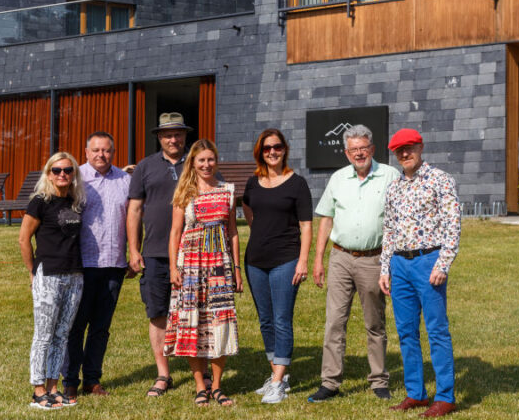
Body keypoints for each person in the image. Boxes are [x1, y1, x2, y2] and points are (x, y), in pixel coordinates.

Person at [308, 125, 399, 403]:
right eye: (353, 149)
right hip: (341, 258)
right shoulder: (337, 179)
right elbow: (326, 218)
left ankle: (379, 380)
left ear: (372, 149)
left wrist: (390, 262)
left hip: (374, 258)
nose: (359, 153)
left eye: (363, 148)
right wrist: (318, 260)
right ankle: (330, 382)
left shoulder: (390, 176)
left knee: (375, 323)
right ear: (347, 153)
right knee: (334, 322)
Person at [378, 128, 461, 418]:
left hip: (429, 262)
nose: (404, 153)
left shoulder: (440, 180)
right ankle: (416, 393)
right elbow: (388, 229)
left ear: (420, 146)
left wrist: (443, 262)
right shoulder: (394, 187)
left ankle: (445, 396)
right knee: (406, 332)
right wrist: (384, 267)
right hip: (399, 265)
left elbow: (453, 223)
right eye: (398, 150)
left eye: (409, 147)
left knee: (437, 331)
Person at [165, 139, 243, 407]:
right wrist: (174, 267)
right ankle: (200, 385)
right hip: (190, 265)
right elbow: (175, 232)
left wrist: (237, 268)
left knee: (219, 322)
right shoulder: (184, 192)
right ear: (193, 163)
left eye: (211, 159)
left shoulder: (227, 191)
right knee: (192, 323)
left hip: (218, 264)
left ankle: (218, 386)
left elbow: (232, 231)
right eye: (201, 160)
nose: (207, 164)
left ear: (216, 161)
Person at [242, 128, 313, 404]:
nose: (272, 151)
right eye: (267, 148)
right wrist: (256, 227)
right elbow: (247, 207)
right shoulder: (253, 182)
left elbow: (306, 226)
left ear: (285, 149)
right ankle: (278, 376)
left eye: (277, 147)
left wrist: (303, 260)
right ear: (260, 152)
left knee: (282, 319)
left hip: (286, 259)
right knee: (266, 319)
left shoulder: (297, 184)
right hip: (255, 261)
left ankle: (277, 381)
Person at [128, 112, 194, 397]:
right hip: (155, 252)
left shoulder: (198, 162)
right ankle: (163, 374)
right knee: (157, 314)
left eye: (178, 133)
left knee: (195, 314)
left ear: (184, 136)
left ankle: (199, 372)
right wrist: (133, 249)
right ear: (159, 137)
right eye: (167, 134)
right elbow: (134, 209)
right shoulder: (145, 167)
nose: (173, 139)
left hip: (194, 253)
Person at [63, 132, 132, 398]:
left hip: (114, 263)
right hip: (81, 263)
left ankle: (92, 379)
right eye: (96, 150)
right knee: (76, 326)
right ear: (86, 151)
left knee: (101, 328)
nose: (101, 155)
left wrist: (133, 253)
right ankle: (70, 380)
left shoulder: (125, 180)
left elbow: (134, 218)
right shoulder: (74, 178)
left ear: (113, 153)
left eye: (106, 150)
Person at [18, 152, 86, 410]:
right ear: (48, 173)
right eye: (56, 170)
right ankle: (37, 391)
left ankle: (53, 387)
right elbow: (24, 239)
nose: (62, 175)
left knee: (62, 334)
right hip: (49, 274)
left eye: (68, 170)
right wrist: (33, 271)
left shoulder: (75, 201)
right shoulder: (40, 201)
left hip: (75, 275)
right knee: (44, 335)